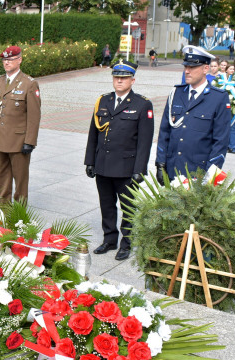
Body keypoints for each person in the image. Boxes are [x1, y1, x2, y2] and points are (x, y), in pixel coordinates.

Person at [84, 60, 154, 261]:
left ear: (133, 80)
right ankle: (109, 239)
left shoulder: (142, 104)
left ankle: (127, 242)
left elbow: (144, 141)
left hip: (126, 167)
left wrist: (139, 169)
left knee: (128, 207)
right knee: (106, 204)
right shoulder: (103, 101)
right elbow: (93, 134)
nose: (119, 81)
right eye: (116, 77)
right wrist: (90, 161)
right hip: (103, 164)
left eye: (124, 78)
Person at [156, 45, 232, 181]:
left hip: (198, 173)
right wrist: (161, 163)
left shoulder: (218, 98)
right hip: (172, 170)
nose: (187, 71)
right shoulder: (176, 94)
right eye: (186, 67)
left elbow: (220, 141)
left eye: (192, 67)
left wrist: (210, 176)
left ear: (205, 69)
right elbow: (164, 131)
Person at [0, 45, 41, 203]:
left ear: (20, 60)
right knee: (2, 178)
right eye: (4, 60)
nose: (6, 63)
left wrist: (30, 141)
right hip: (0, 139)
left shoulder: (29, 83)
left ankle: (19, 215)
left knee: (20, 181)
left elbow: (34, 116)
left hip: (19, 141)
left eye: (10, 59)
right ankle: (4, 210)